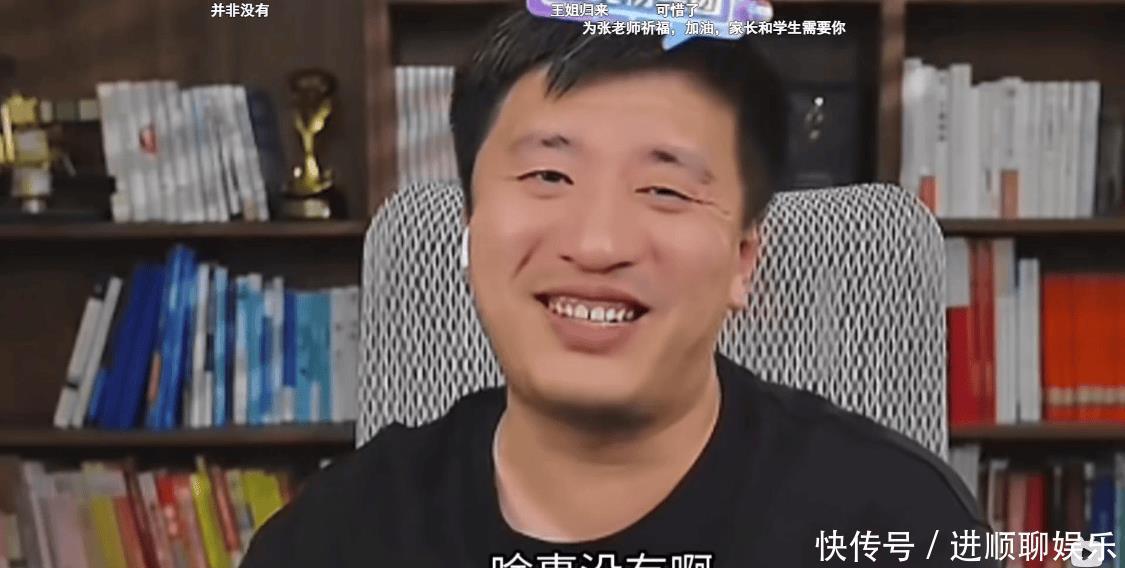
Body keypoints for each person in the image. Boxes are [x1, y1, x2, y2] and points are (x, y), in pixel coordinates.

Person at [242, 8, 996, 567]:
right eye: (548, 175)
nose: (598, 244)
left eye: (664, 189)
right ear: (469, 230)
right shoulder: (334, 539)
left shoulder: (894, 523)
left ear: (743, 261)